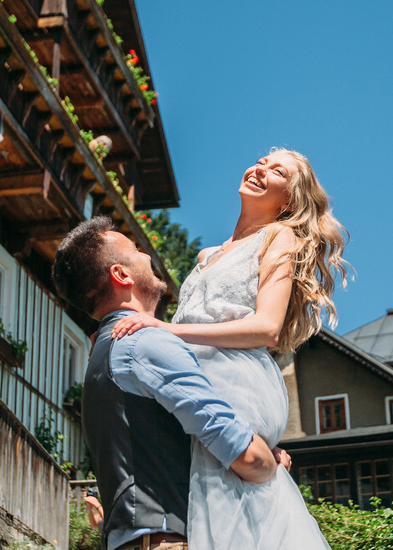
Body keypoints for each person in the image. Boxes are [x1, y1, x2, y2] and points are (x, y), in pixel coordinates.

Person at [112, 148, 349, 550]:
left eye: (277, 172)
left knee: (227, 506)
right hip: (199, 375)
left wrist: (166, 331)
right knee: (202, 494)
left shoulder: (280, 236)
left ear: (288, 200)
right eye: (261, 161)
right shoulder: (207, 255)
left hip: (236, 378)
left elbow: (267, 328)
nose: (260, 169)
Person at [52, 218, 286, 550]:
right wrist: (269, 462)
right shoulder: (145, 343)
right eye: (134, 249)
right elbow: (246, 457)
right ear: (122, 275)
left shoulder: (104, 351)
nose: (146, 253)